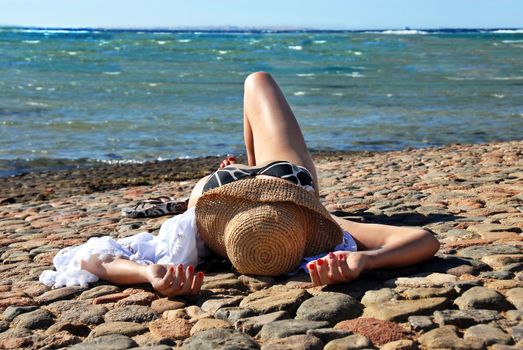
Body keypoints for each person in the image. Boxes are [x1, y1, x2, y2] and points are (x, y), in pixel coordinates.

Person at [40, 72, 440, 297]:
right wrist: (365, 262)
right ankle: (250, 164)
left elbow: (95, 257)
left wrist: (149, 277)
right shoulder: (315, 232)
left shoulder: (187, 239)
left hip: (232, 193)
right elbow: (422, 239)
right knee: (258, 81)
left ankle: (243, 165)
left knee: (256, 81)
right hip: (287, 183)